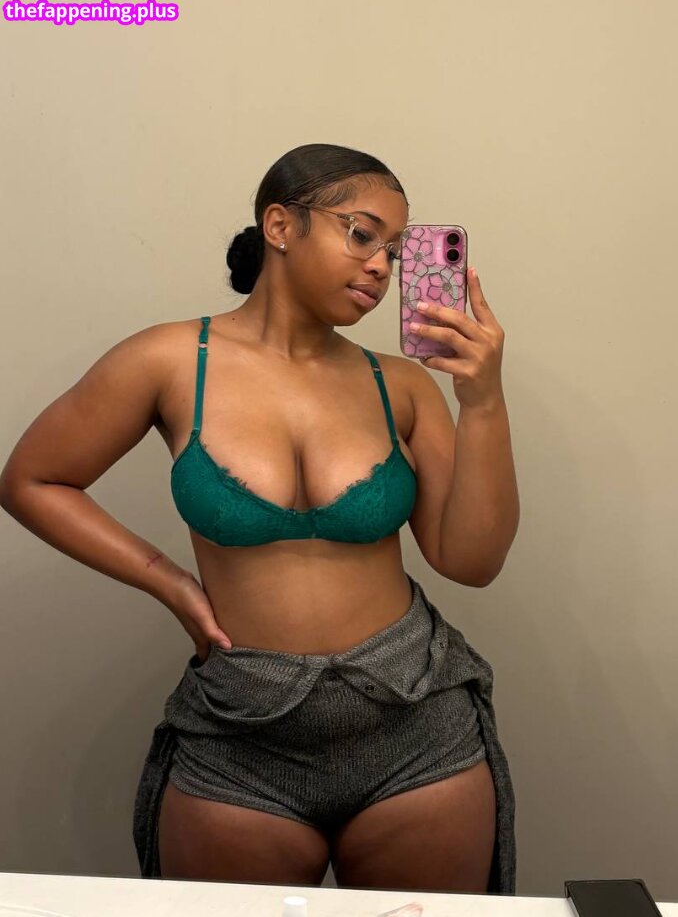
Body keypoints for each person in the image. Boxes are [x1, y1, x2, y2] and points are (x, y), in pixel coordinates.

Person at [0, 143, 520, 894]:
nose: (381, 266)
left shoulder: (401, 385)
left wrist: (484, 401)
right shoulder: (170, 360)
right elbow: (32, 479)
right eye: (362, 233)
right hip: (241, 733)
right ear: (281, 226)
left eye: (396, 250)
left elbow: (472, 560)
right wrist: (171, 583)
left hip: (416, 720)